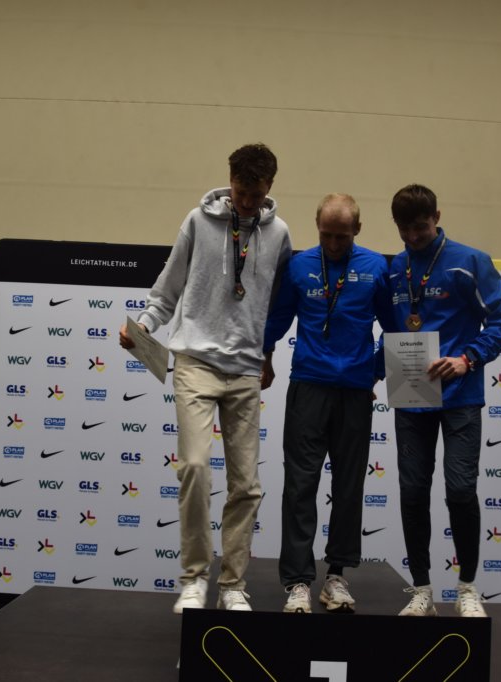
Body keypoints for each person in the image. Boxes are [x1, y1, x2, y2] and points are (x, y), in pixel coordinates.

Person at [119, 143, 293, 613]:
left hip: (246, 370)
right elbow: (167, 289)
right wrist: (143, 327)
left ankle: (233, 584)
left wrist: (268, 355)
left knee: (246, 484)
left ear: (270, 187)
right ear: (230, 180)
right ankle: (194, 579)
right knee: (195, 467)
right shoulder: (198, 221)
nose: (247, 203)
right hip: (195, 362)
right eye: (240, 192)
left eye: (256, 195)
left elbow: (276, 306)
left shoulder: (279, 234)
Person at [387, 184, 501, 618]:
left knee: (460, 490)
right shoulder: (396, 268)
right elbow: (393, 332)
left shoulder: (469, 262)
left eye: (421, 227)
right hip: (411, 397)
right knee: (412, 492)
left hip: (461, 397)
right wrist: (370, 372)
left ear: (437, 218)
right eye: (404, 229)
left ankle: (467, 588)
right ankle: (422, 590)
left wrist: (468, 359)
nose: (413, 237)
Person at [262, 193, 395, 614]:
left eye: (342, 236)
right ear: (317, 227)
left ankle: (336, 576)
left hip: (355, 392)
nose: (334, 244)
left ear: (358, 229)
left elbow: (395, 329)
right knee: (300, 485)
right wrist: (264, 358)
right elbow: (277, 319)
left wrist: (373, 372)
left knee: (349, 486)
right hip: (309, 387)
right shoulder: (299, 265)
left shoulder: (377, 267)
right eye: (326, 235)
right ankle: (298, 581)